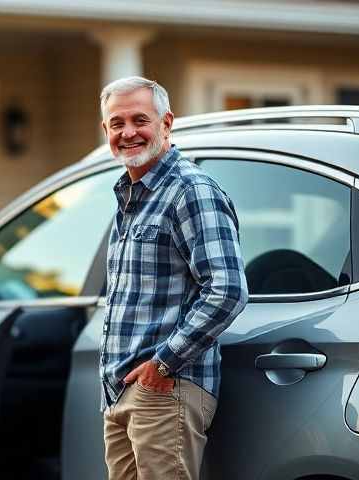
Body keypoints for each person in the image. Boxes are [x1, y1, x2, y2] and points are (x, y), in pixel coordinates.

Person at [98, 76, 249, 480]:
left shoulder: (190, 190)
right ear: (106, 131)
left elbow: (227, 290)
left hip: (165, 391)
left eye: (139, 119)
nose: (128, 132)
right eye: (117, 123)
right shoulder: (129, 198)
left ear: (166, 123)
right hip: (121, 393)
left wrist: (161, 365)